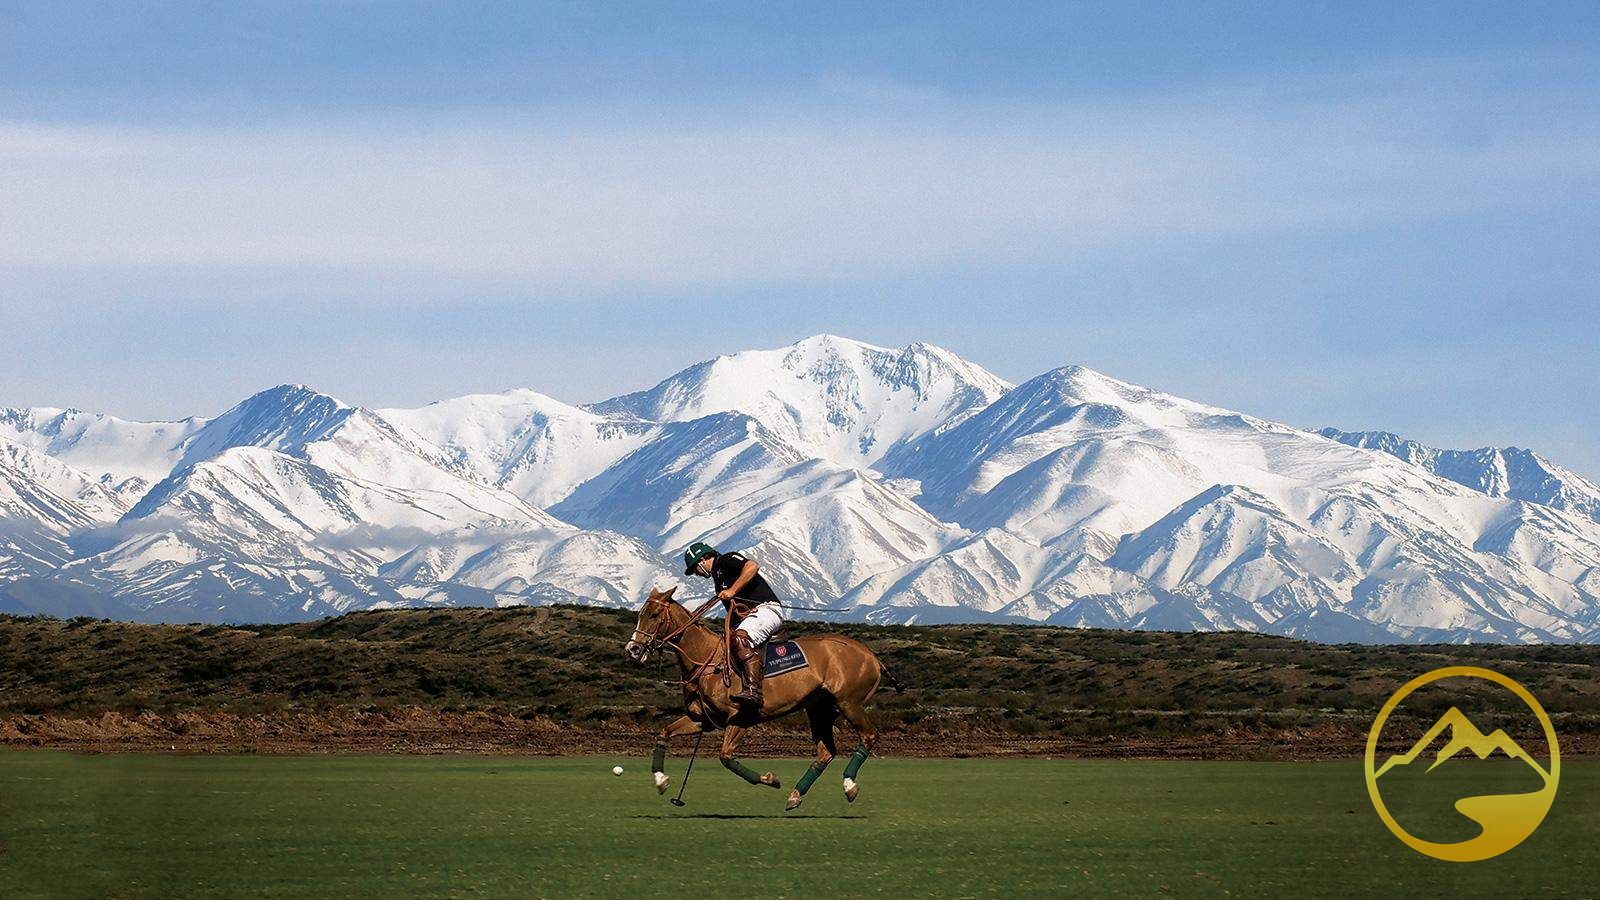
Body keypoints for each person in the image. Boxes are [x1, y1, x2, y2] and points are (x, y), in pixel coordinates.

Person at [682, 541, 786, 708]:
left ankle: (753, 691)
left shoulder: (726, 559)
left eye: (694, 568)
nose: (695, 573)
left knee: (740, 638)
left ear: (703, 559)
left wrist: (732, 591)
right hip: (751, 617)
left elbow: (752, 566)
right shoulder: (718, 577)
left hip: (767, 608)